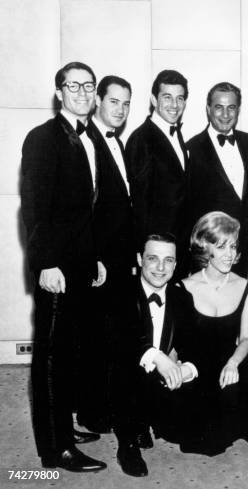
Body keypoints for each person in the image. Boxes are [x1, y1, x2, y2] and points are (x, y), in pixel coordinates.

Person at [20, 61, 107, 472]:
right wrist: (46, 264)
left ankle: (64, 427)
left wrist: (96, 260)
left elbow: (89, 211)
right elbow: (35, 209)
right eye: (73, 86)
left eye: (88, 86)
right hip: (56, 267)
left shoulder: (91, 139)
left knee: (72, 352)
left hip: (81, 265)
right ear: (59, 93)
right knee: (51, 357)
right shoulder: (42, 138)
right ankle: (55, 449)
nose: (82, 92)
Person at [113, 233, 201, 477]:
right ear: (140, 259)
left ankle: (147, 420)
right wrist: (158, 357)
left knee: (194, 433)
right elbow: (122, 340)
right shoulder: (120, 291)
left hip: (155, 379)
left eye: (168, 260)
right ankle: (127, 445)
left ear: (176, 263)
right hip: (117, 377)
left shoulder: (181, 297)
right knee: (126, 369)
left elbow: (193, 343)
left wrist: (187, 368)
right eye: (153, 259)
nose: (161, 268)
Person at [180, 211, 248, 456]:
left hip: (230, 363)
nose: (230, 254)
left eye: (233, 246)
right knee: (206, 439)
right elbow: (177, 342)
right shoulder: (185, 287)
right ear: (206, 248)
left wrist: (233, 363)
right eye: (221, 246)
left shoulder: (244, 286)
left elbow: (246, 339)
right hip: (196, 367)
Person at [78, 75, 133, 434]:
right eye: (114, 101)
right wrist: (94, 257)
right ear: (98, 100)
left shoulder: (118, 142)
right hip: (98, 259)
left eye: (126, 103)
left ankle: (102, 407)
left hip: (118, 257)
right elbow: (84, 209)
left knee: (110, 335)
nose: (120, 109)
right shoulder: (87, 140)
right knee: (92, 338)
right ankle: (91, 412)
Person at [126, 70, 190, 278]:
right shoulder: (141, 139)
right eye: (167, 97)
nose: (174, 105)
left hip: (177, 247)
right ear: (154, 99)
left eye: (180, 98)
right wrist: (146, 253)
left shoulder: (176, 133)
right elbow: (139, 204)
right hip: (157, 253)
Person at [186, 83, 248, 278]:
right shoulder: (192, 149)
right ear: (208, 109)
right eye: (218, 107)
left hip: (241, 247)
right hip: (210, 251)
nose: (225, 114)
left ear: (238, 110)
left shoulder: (246, 141)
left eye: (231, 107)